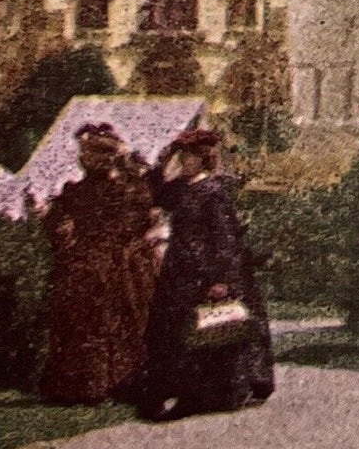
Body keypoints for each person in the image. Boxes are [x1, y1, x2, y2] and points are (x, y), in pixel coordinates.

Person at [139, 126, 274, 420]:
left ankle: (206, 394)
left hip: (205, 270)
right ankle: (177, 391)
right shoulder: (180, 189)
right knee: (177, 330)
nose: (184, 162)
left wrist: (221, 280)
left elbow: (225, 238)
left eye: (190, 157)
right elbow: (154, 193)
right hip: (179, 268)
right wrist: (165, 157)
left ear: (204, 159)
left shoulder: (213, 192)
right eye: (183, 156)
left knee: (208, 331)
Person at [40, 123, 159, 405]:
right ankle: (89, 385)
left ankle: (104, 384)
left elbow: (138, 224)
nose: (89, 160)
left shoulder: (121, 191)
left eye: (95, 155)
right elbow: (56, 224)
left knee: (106, 323)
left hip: (106, 265)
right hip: (93, 265)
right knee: (89, 324)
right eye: (87, 154)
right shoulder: (80, 191)